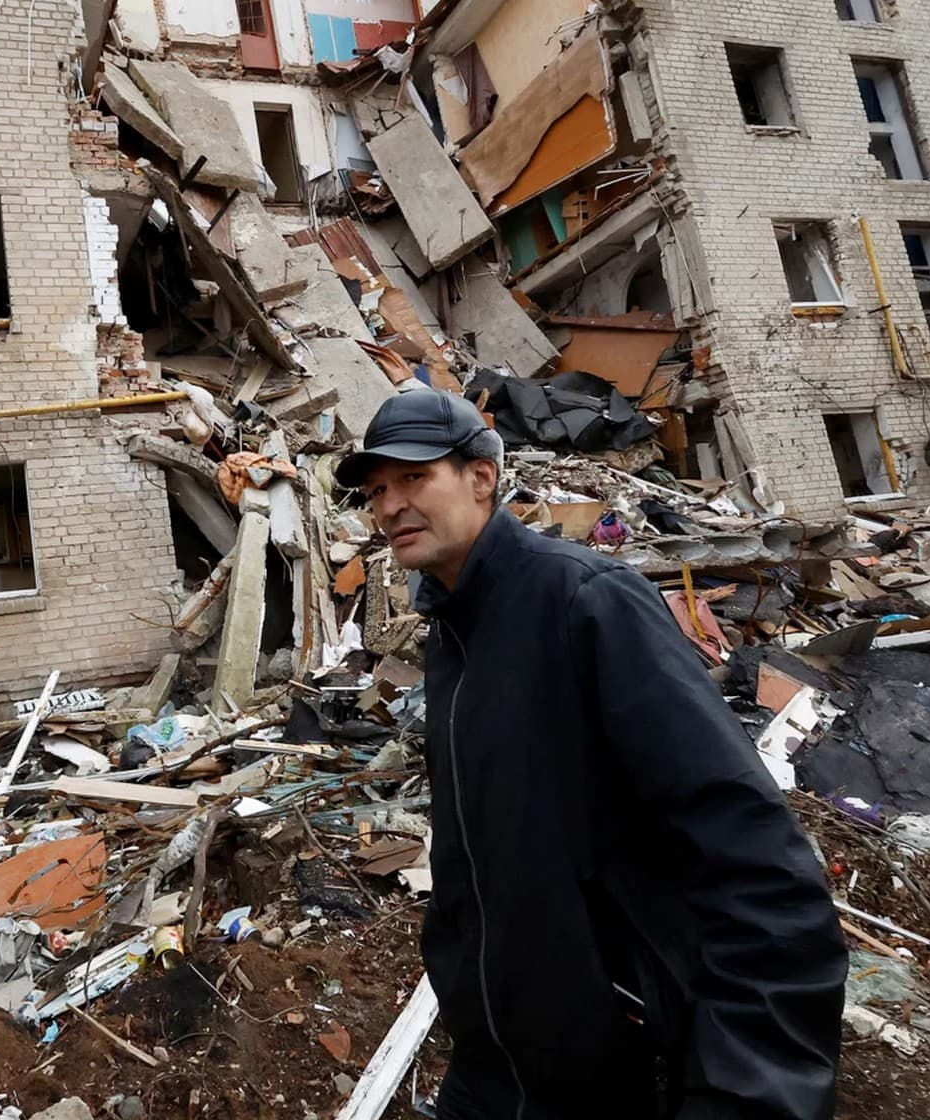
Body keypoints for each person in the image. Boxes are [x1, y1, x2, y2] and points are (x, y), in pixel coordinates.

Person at [333, 391, 847, 1120]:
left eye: (413, 478)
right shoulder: (453, 630)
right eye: (376, 490)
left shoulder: (584, 602)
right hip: (495, 1064)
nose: (388, 506)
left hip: (611, 1070)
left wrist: (752, 1090)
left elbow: (751, 854)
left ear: (481, 476)